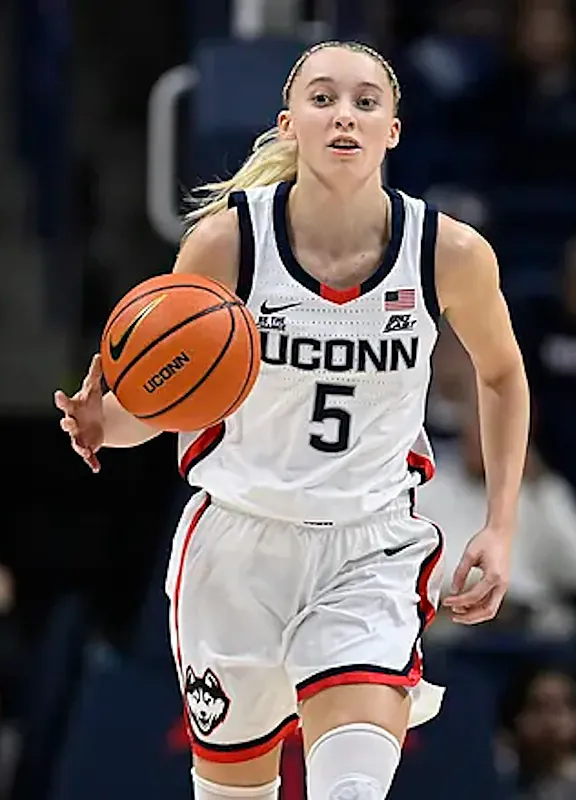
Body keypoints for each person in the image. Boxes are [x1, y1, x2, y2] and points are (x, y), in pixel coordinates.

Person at [54, 40, 530, 800]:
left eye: (365, 102)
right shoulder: (227, 242)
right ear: (288, 125)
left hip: (368, 548)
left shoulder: (448, 252)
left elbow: (501, 374)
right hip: (237, 550)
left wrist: (500, 524)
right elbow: (168, 401)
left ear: (392, 130)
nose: (344, 115)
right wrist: (102, 423)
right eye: (323, 98)